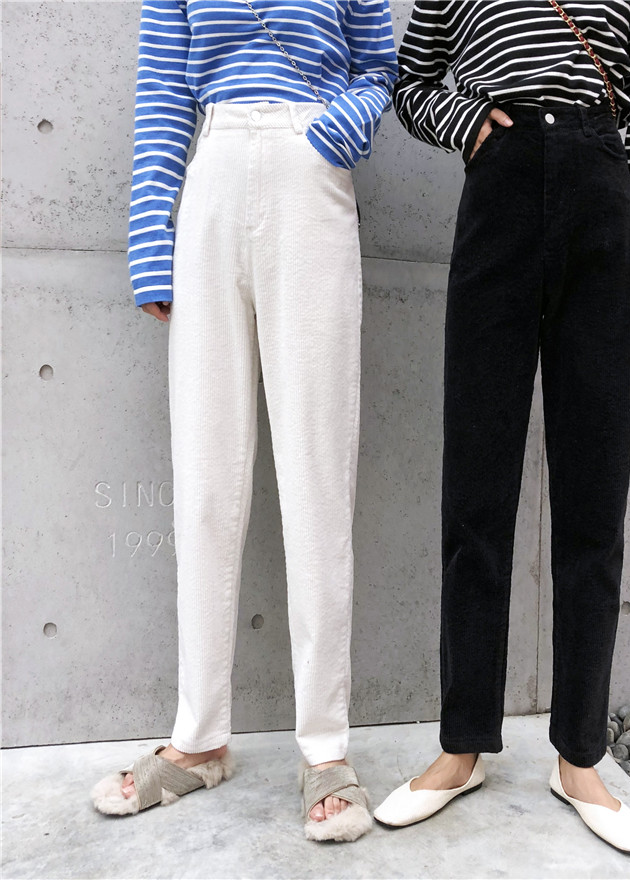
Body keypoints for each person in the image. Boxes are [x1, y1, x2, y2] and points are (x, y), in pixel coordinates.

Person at [374, 0, 630, 853]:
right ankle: (462, 744)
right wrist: (471, 124)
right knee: (477, 490)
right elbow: (411, 80)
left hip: (603, 199)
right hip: (499, 196)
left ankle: (580, 756)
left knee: (594, 498)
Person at [91, 0, 397, 843]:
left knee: (317, 476)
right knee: (204, 479)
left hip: (312, 175)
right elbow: (163, 92)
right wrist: (150, 238)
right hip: (213, 173)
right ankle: (198, 739)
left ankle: (326, 749)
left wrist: (341, 124)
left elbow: (380, 65)